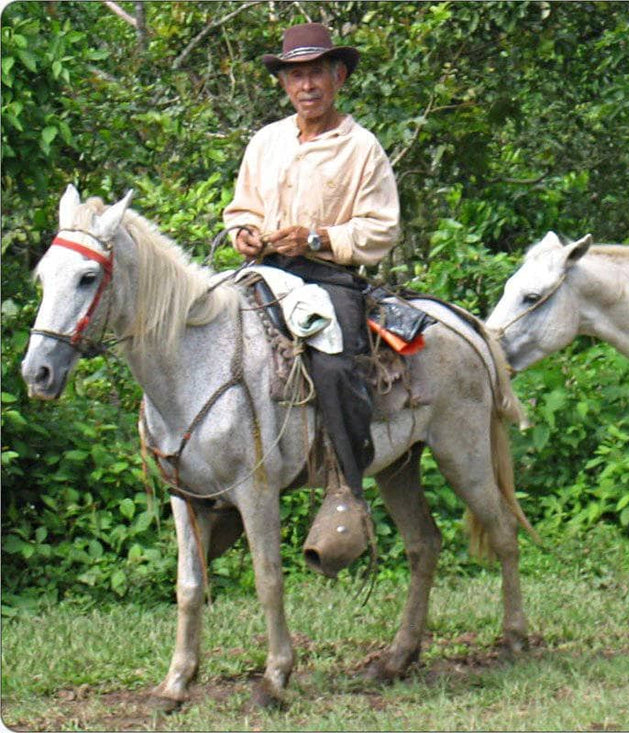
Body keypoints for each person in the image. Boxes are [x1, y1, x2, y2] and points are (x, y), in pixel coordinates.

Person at [223, 22, 400, 554]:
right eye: (295, 75)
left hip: (327, 275)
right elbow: (241, 208)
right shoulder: (266, 142)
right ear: (283, 83)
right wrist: (246, 234)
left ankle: (346, 487)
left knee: (335, 363)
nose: (306, 86)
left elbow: (381, 228)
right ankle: (221, 473)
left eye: (316, 74)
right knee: (212, 335)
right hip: (264, 270)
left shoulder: (362, 148)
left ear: (338, 76)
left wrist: (317, 237)